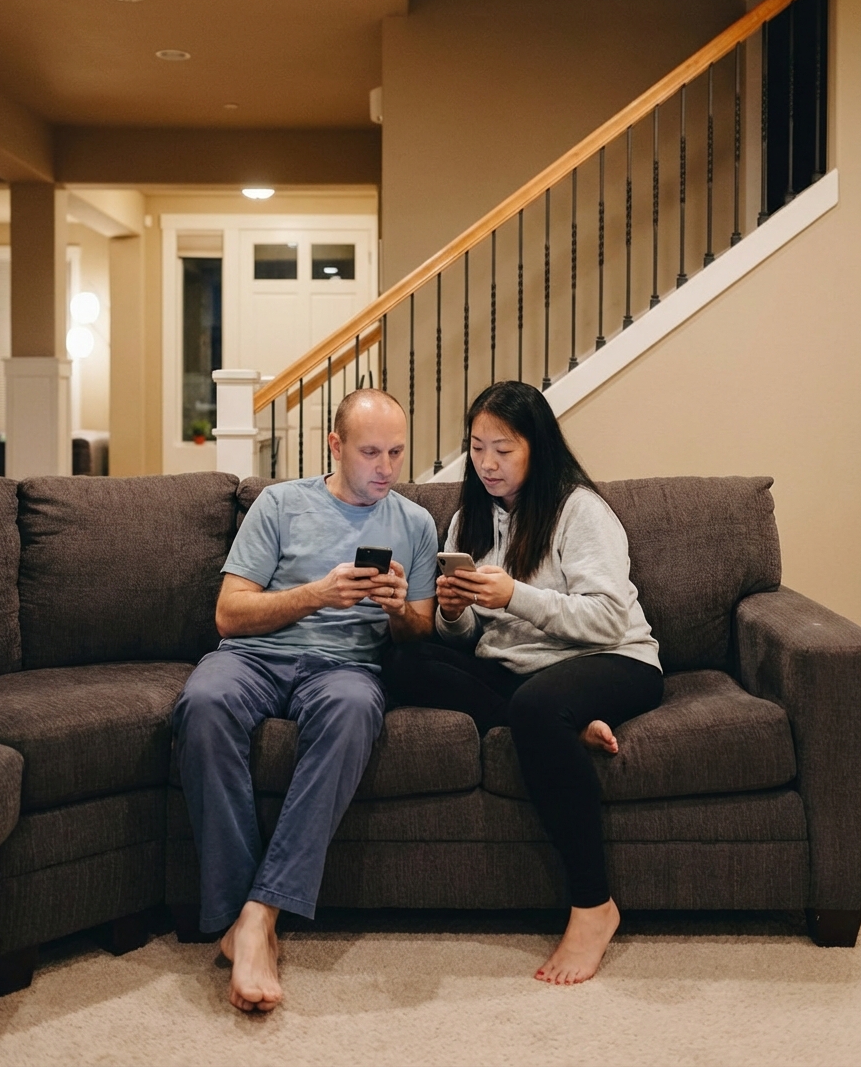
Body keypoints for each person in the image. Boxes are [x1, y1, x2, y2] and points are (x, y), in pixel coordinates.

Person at [382, 380, 663, 987]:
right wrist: (455, 610)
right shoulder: (469, 518)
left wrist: (517, 595)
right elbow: (466, 641)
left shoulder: (579, 509)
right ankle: (561, 728)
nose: (486, 463)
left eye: (502, 449)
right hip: (523, 673)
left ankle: (594, 906)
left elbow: (608, 617)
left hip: (615, 659)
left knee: (538, 705)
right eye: (477, 447)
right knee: (405, 661)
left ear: (536, 446)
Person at [173, 389, 437, 1013]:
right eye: (370, 451)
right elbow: (230, 614)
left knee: (352, 711)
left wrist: (400, 609)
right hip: (254, 657)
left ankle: (260, 914)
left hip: (345, 669)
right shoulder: (281, 505)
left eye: (397, 452)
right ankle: (245, 915)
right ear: (336, 447)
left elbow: (422, 629)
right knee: (203, 702)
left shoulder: (415, 524)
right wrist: (319, 593)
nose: (385, 467)